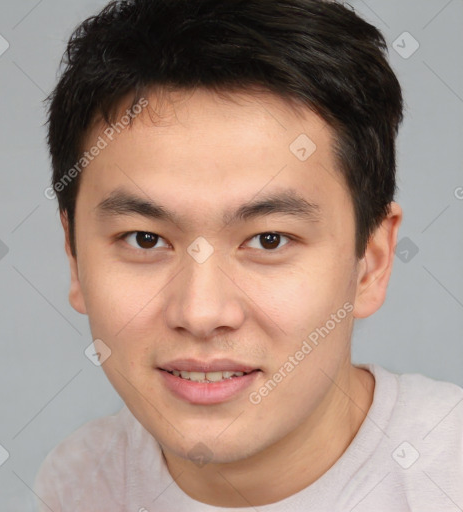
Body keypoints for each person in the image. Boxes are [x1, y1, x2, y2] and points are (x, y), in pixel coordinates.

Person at [34, 0, 463, 510]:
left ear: (371, 261)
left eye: (269, 240)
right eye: (144, 239)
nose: (200, 313)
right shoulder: (79, 483)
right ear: (75, 258)